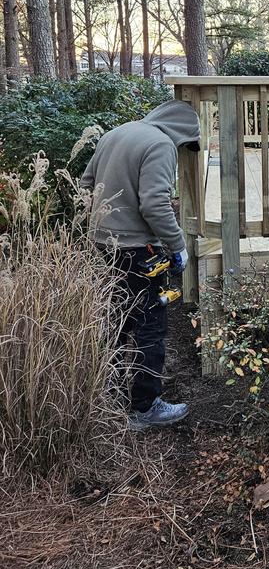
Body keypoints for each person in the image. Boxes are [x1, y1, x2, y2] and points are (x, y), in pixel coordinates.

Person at [81, 99, 201, 430]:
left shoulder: (116, 133)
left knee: (115, 319)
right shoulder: (161, 144)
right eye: (187, 144)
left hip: (103, 245)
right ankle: (145, 408)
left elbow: (86, 186)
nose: (183, 149)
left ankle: (110, 390)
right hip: (138, 250)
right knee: (151, 324)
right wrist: (178, 246)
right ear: (181, 131)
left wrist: (104, 225)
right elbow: (155, 203)